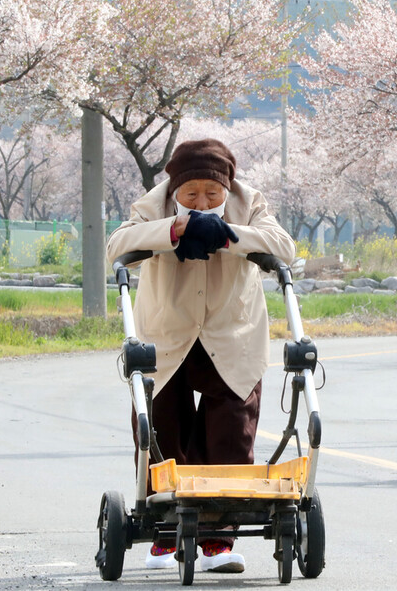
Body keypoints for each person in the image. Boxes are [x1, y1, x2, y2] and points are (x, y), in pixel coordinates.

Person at [105, 138, 296, 574]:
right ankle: (165, 534)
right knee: (161, 431)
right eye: (191, 194)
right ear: (174, 189)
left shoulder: (249, 202)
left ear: (228, 186)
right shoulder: (154, 203)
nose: (203, 201)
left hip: (231, 334)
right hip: (167, 333)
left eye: (213, 193)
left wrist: (230, 235)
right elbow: (117, 246)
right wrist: (173, 231)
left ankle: (216, 540)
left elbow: (283, 247)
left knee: (229, 433)